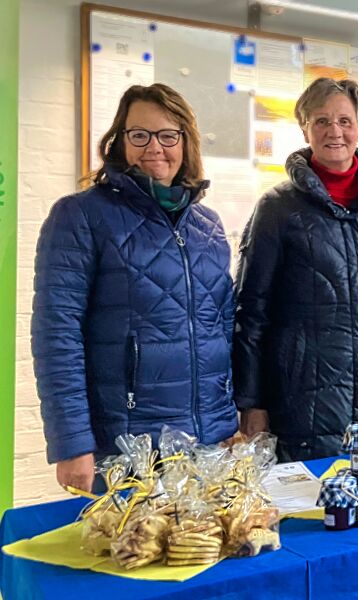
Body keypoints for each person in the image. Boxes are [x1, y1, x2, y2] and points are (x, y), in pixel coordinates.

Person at [32, 83, 238, 493]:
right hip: (129, 449)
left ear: (186, 142)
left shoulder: (208, 226)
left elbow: (223, 331)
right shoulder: (81, 216)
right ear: (120, 141)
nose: (154, 148)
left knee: (208, 554)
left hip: (211, 447)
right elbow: (57, 334)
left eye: (167, 135)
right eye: (139, 135)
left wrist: (231, 420)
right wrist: (72, 444)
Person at [233, 78, 358, 461]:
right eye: (321, 121)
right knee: (321, 512)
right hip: (308, 404)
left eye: (344, 120)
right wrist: (252, 400)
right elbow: (252, 311)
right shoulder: (277, 208)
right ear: (305, 129)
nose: (334, 131)